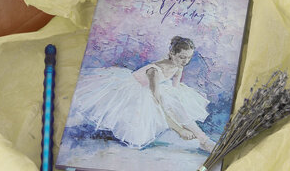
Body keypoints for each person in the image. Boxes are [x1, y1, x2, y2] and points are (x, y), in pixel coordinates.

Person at [74, 36, 216, 152]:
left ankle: (203, 140)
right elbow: (156, 101)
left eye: (189, 57)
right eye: (182, 57)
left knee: (177, 103)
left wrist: (180, 110)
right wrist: (179, 129)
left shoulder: (178, 67)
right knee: (163, 105)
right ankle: (203, 140)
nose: (185, 61)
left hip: (156, 90)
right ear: (172, 53)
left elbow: (175, 90)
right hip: (135, 90)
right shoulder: (154, 71)